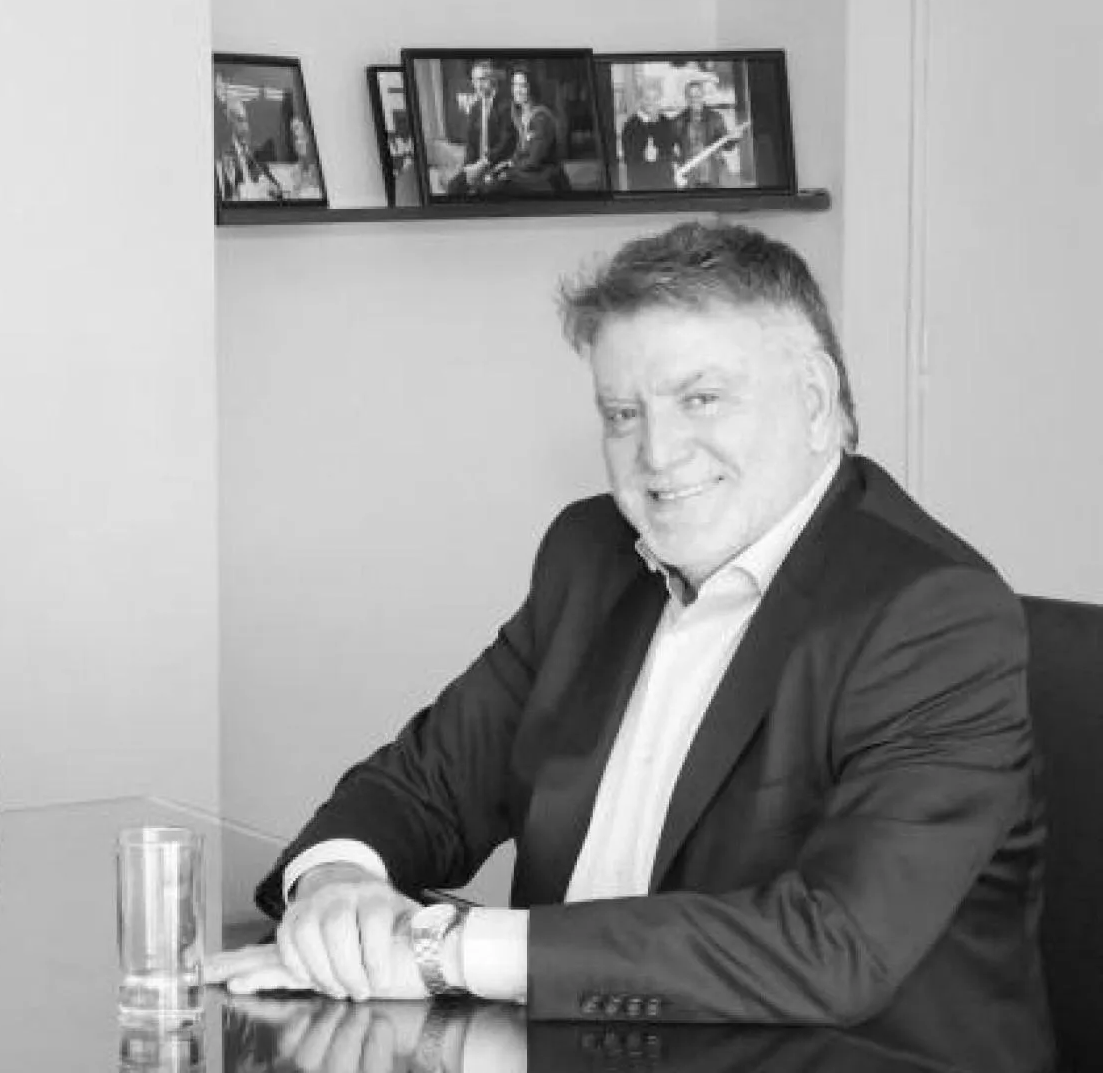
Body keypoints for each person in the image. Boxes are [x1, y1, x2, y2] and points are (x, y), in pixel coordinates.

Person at [209, 222, 1051, 1073]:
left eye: (701, 399)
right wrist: (339, 887)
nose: (657, 453)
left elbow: (833, 944)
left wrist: (442, 952)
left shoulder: (931, 616)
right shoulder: (592, 556)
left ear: (815, 400)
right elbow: (423, 787)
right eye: (623, 413)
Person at [487, 67, 571, 197]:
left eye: (523, 86)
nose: (517, 90)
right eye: (515, 85)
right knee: (490, 180)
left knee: (495, 187)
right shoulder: (519, 115)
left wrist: (510, 171)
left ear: (531, 88)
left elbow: (534, 160)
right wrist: (508, 163)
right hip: (528, 174)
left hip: (546, 178)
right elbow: (521, 152)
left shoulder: (541, 117)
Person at [444, 61, 516, 195]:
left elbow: (506, 143)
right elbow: (471, 144)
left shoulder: (506, 106)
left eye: (482, 79)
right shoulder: (475, 108)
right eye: (475, 80)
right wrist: (468, 168)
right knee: (453, 187)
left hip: (498, 165)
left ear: (492, 79)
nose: (478, 85)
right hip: (477, 166)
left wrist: (483, 164)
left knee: (486, 191)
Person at [671, 79, 742, 189]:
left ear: (703, 95)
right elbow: (669, 149)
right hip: (689, 179)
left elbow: (727, 146)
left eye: (697, 95)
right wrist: (677, 167)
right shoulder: (678, 121)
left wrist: (735, 138)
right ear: (686, 98)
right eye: (691, 96)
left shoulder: (715, 117)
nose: (694, 99)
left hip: (713, 176)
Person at [619, 78, 677, 190]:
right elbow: (628, 158)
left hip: (666, 185)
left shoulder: (666, 122)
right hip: (643, 186)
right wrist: (643, 156)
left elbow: (669, 151)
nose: (651, 102)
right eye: (647, 98)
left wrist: (662, 156)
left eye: (655, 98)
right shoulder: (631, 126)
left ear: (660, 100)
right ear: (641, 100)